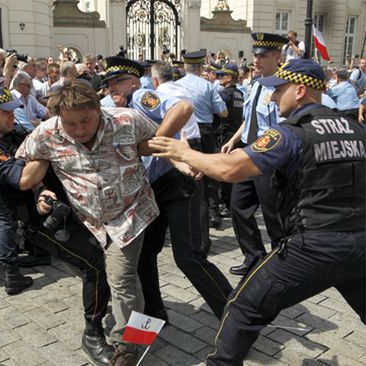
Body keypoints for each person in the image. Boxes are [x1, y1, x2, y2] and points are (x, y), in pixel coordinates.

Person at [149, 58, 365, 366]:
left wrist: (186, 153)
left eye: (279, 90)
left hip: (314, 247)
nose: (273, 97)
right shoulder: (355, 128)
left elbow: (230, 170)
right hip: (360, 245)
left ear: (300, 90)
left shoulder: (291, 133)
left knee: (242, 308)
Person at [16, 79, 162, 365]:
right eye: (71, 124)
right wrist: (40, 190)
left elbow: (159, 141)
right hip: (86, 220)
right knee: (104, 274)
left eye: (86, 120)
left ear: (99, 108)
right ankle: (142, 323)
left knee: (122, 279)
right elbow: (27, 165)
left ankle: (129, 347)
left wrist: (184, 162)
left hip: (129, 214)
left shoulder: (127, 119)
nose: (80, 129)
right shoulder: (46, 133)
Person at [0, 87, 112, 364]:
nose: (14, 115)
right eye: (6, 111)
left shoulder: (15, 135)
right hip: (39, 223)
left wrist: (41, 184)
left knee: (104, 258)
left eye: (15, 109)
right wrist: (44, 163)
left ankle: (116, 304)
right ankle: (93, 332)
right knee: (95, 264)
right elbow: (22, 178)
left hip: (67, 209)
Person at [102, 56, 233, 322]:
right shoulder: (119, 109)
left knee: (189, 258)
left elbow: (182, 108)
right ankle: (153, 314)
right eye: (108, 83)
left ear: (134, 82)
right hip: (154, 189)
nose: (112, 88)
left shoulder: (141, 96)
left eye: (118, 82)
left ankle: (236, 317)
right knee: (145, 255)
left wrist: (155, 143)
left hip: (177, 183)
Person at [221, 32, 287, 276]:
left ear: (276, 56)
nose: (256, 60)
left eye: (262, 55)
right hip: (249, 152)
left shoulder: (283, 85)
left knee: (273, 213)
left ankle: (282, 261)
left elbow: (283, 126)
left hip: (269, 156)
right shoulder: (256, 83)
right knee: (238, 207)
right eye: (255, 55)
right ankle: (254, 256)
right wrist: (233, 140)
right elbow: (249, 119)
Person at [175, 50, 228, 251]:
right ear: (199, 67)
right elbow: (222, 112)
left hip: (182, 134)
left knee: (184, 185)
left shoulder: (176, 86)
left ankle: (186, 238)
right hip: (204, 133)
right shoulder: (207, 85)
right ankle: (205, 236)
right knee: (207, 183)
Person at [215, 64, 245, 216]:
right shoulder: (239, 93)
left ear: (229, 78)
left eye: (221, 76)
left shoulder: (224, 95)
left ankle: (228, 204)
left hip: (226, 135)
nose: (219, 78)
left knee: (226, 170)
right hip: (236, 134)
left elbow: (217, 114)